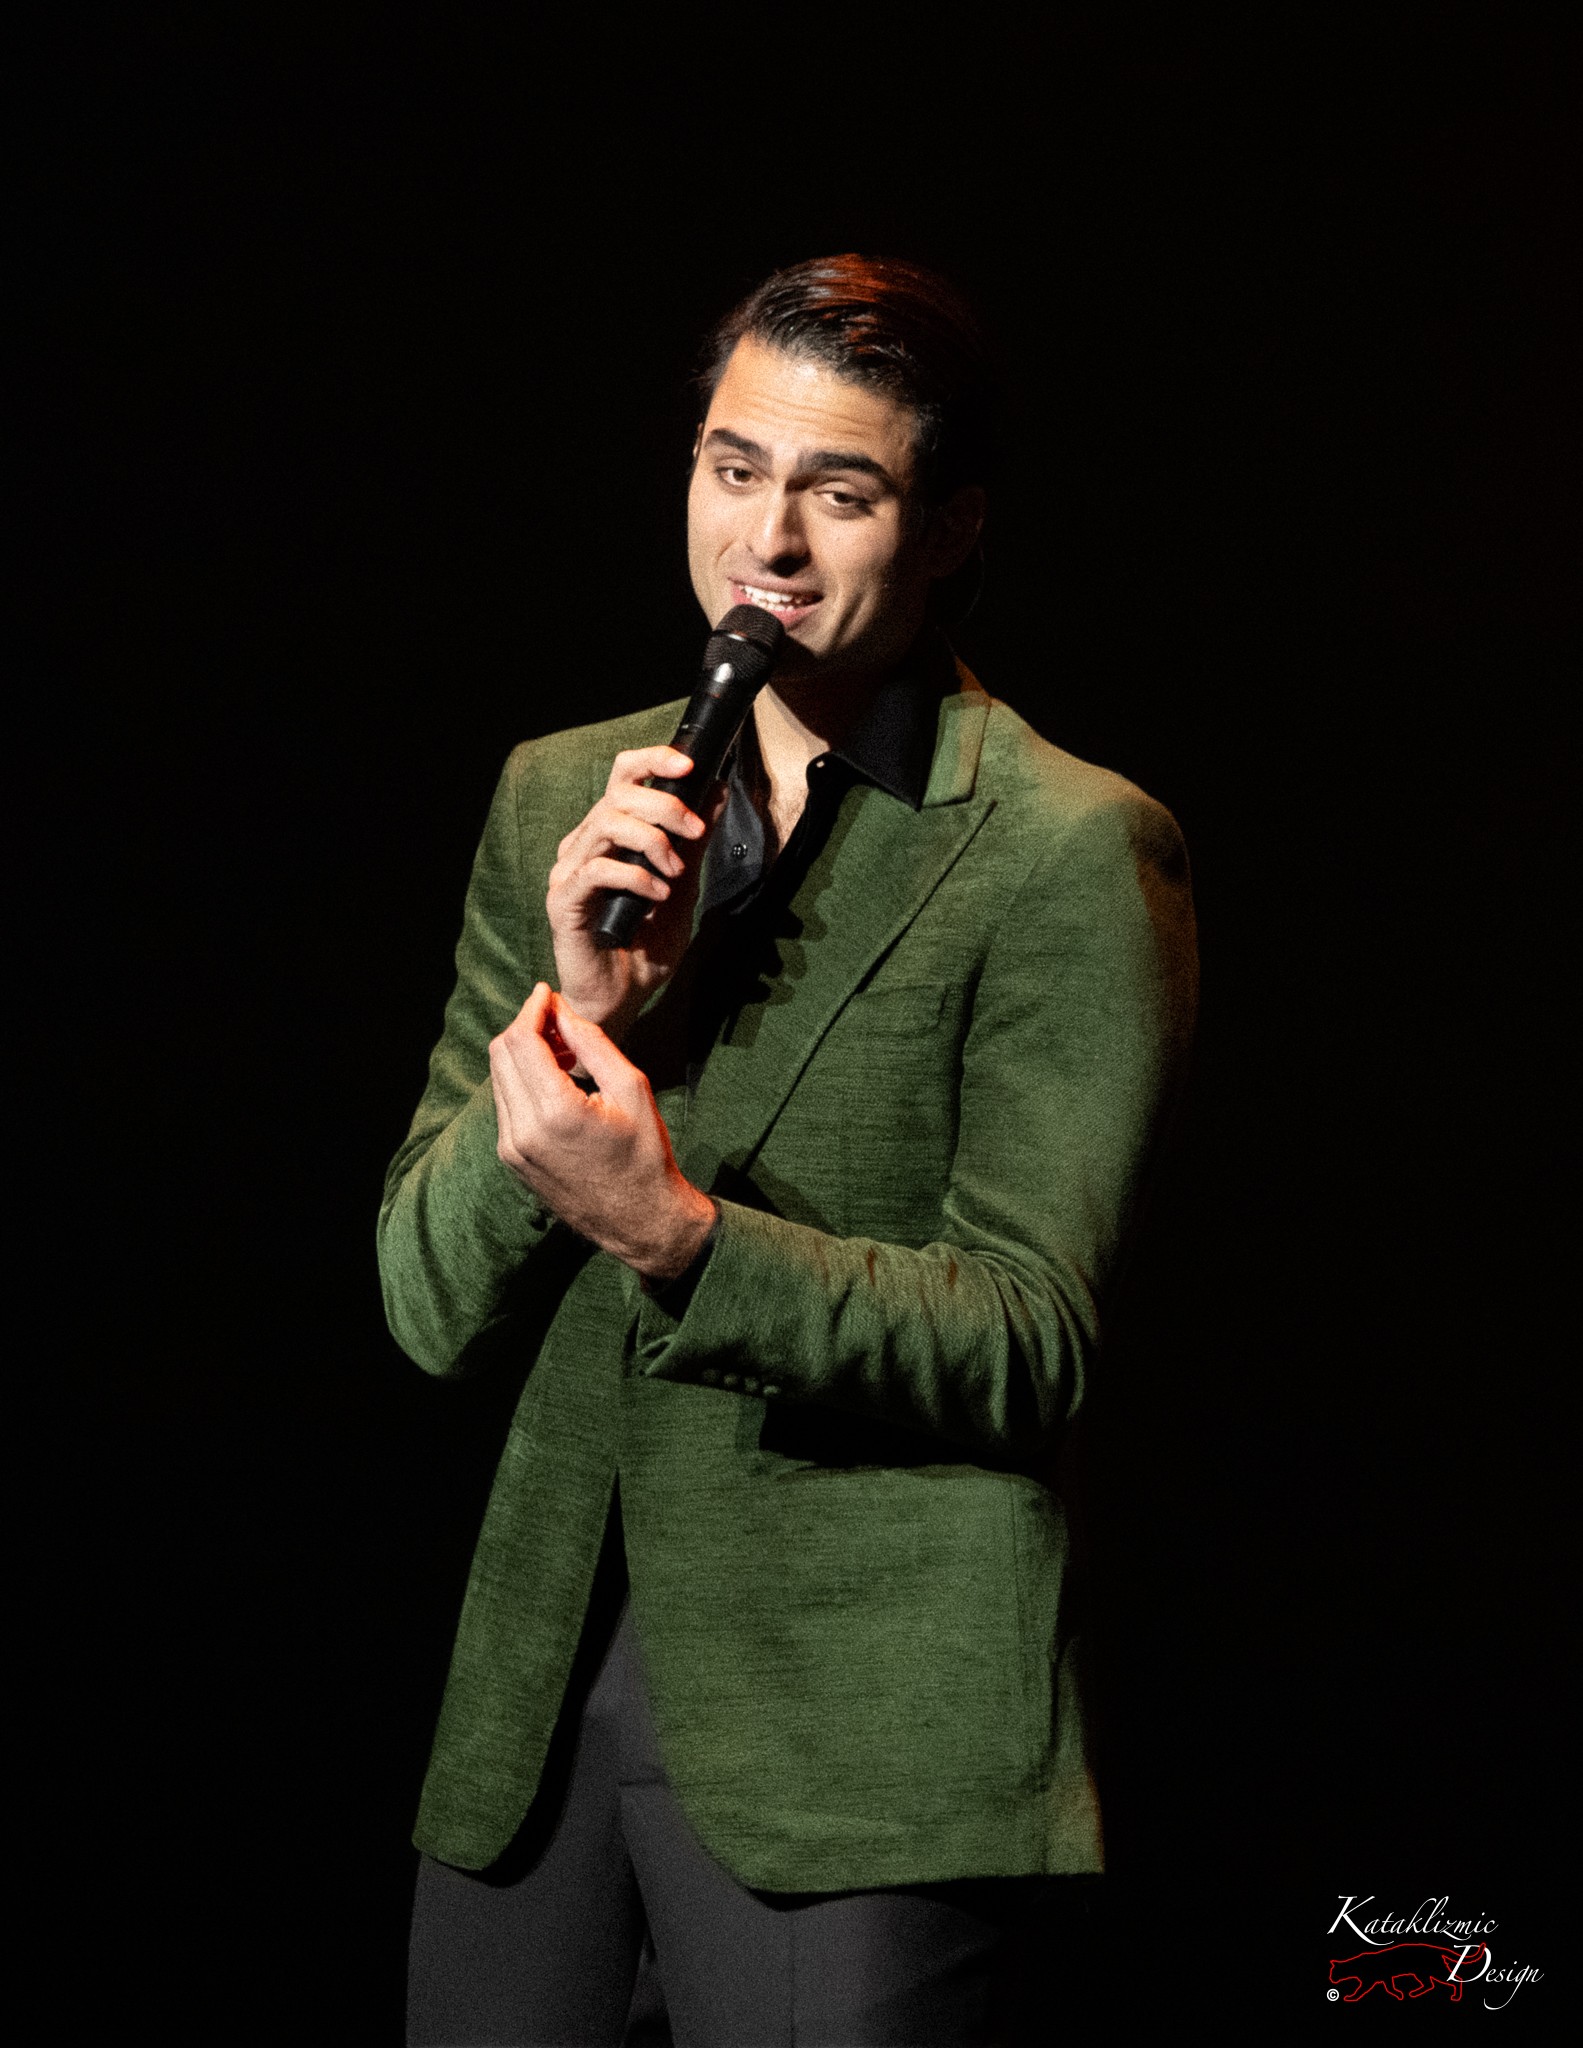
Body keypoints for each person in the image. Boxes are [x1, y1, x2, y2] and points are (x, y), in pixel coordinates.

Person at [381, 254, 1198, 2045]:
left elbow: (1030, 1336)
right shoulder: (558, 793)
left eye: (844, 491)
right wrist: (585, 1009)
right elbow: (422, 1301)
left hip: (858, 1739)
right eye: (734, 469)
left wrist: (681, 1235)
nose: (772, 540)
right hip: (533, 1723)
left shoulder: (1070, 849)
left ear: (951, 525)